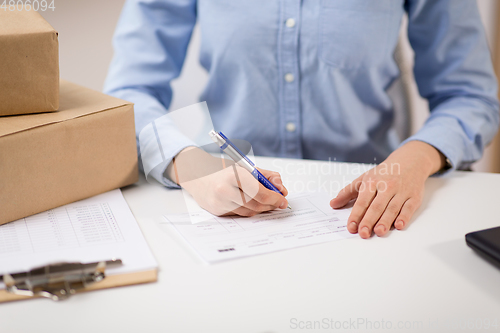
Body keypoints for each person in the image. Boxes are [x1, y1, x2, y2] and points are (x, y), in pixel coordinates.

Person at [104, 0, 499, 239]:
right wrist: (188, 164)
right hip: (224, 207)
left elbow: (470, 95)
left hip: (365, 208)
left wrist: (416, 158)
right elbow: (129, 91)